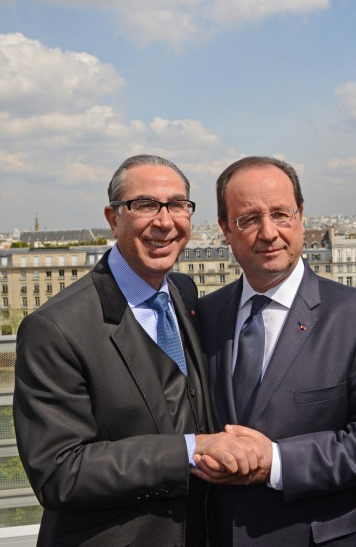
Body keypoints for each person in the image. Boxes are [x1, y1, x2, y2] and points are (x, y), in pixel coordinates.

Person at [13, 154, 261, 547]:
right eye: (145, 204)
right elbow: (60, 473)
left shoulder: (183, 292)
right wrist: (191, 449)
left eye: (178, 205)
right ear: (113, 218)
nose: (165, 221)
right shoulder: (55, 328)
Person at [194, 156, 356, 546]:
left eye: (280, 214)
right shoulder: (206, 313)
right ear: (225, 229)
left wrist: (276, 461)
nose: (269, 232)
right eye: (249, 219)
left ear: (301, 216)